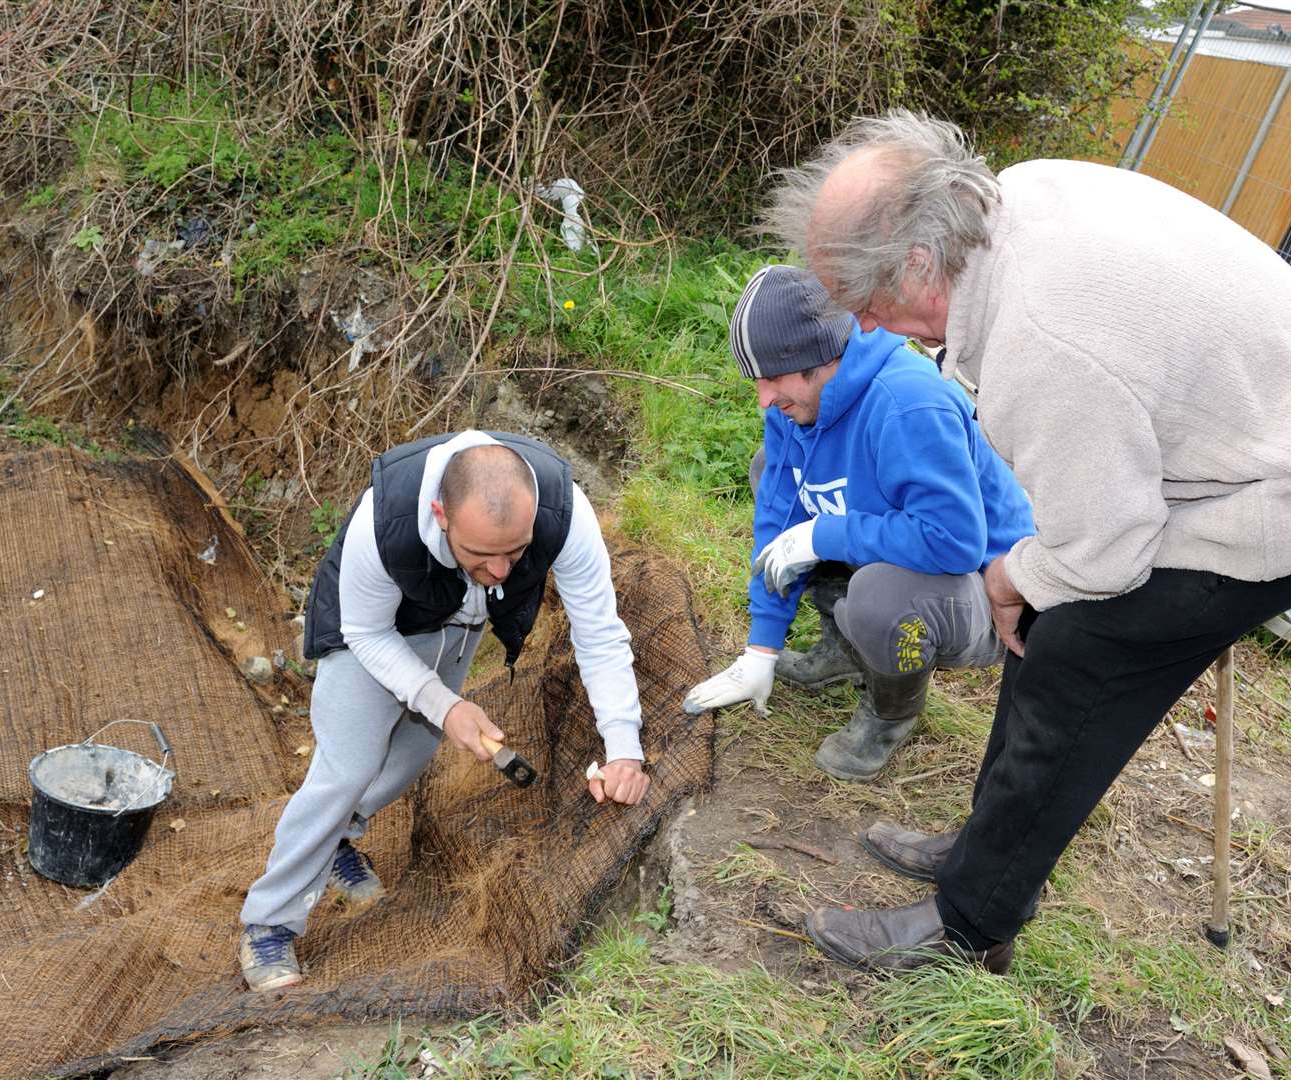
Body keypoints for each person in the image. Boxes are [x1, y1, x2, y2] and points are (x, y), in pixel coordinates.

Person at [764, 111, 1291, 974]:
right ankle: (989, 850)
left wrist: (1011, 575)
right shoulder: (1018, 194)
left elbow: (1103, 557)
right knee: (1047, 619)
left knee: (1080, 650)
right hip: (1286, 425)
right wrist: (1028, 578)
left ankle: (969, 927)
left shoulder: (1040, 341)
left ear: (921, 262)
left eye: (871, 305)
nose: (878, 330)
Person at [239, 430, 651, 991]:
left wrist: (624, 747)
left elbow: (600, 634)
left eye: (517, 551)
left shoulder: (565, 512)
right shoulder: (383, 523)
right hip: (374, 630)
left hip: (457, 624)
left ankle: (337, 840)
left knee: (411, 753)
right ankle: (269, 922)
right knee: (348, 767)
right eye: (483, 554)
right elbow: (366, 631)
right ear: (441, 514)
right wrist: (444, 703)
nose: (504, 571)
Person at [682, 264, 1033, 782]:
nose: (764, 399)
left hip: (987, 594)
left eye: (772, 379)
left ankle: (889, 714)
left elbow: (955, 543)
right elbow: (780, 516)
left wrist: (822, 534)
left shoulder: (908, 404)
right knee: (769, 472)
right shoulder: (792, 407)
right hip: (911, 549)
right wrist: (761, 647)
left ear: (818, 359)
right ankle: (845, 647)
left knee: (880, 596)